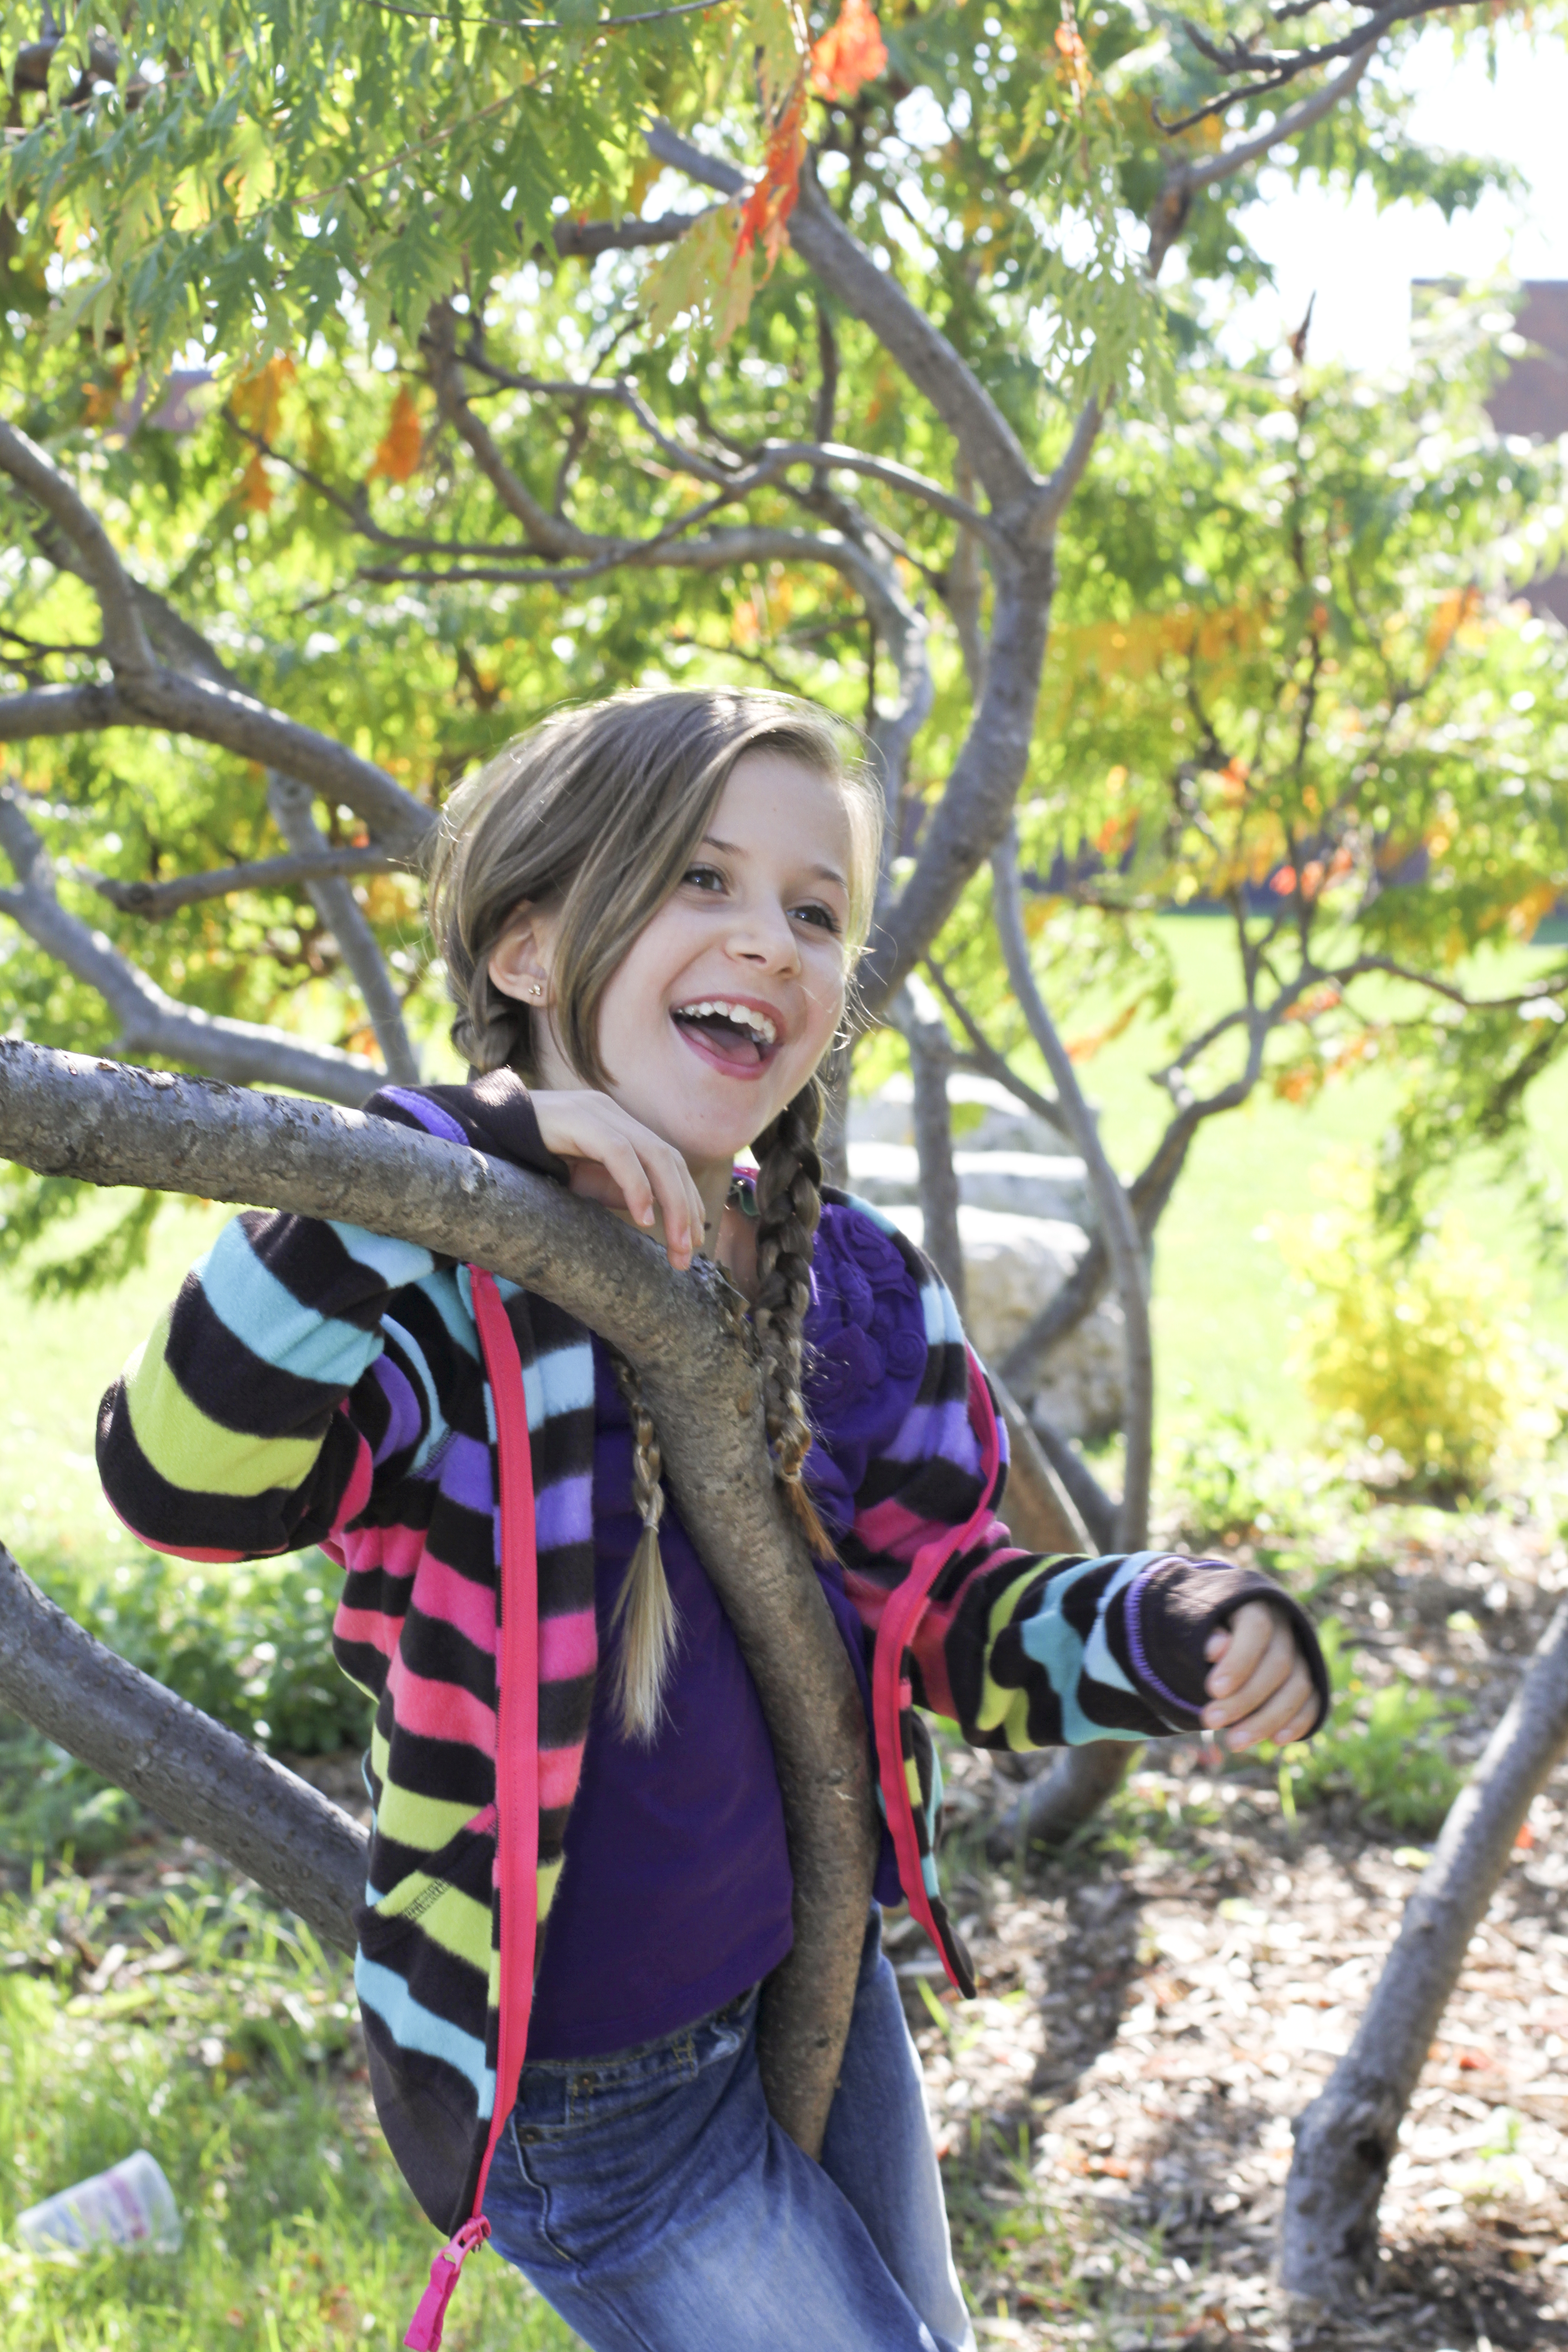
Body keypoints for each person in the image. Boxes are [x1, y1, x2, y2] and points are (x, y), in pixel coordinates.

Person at [97, 690, 1328, 2352]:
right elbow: (179, 1475)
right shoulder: (439, 1296)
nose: (770, 940)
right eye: (701, 880)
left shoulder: (857, 1291)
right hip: (586, 2104)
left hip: (808, 1974)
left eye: (815, 912)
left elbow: (952, 1614)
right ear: (530, 952)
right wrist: (440, 1162)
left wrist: (1172, 1630)